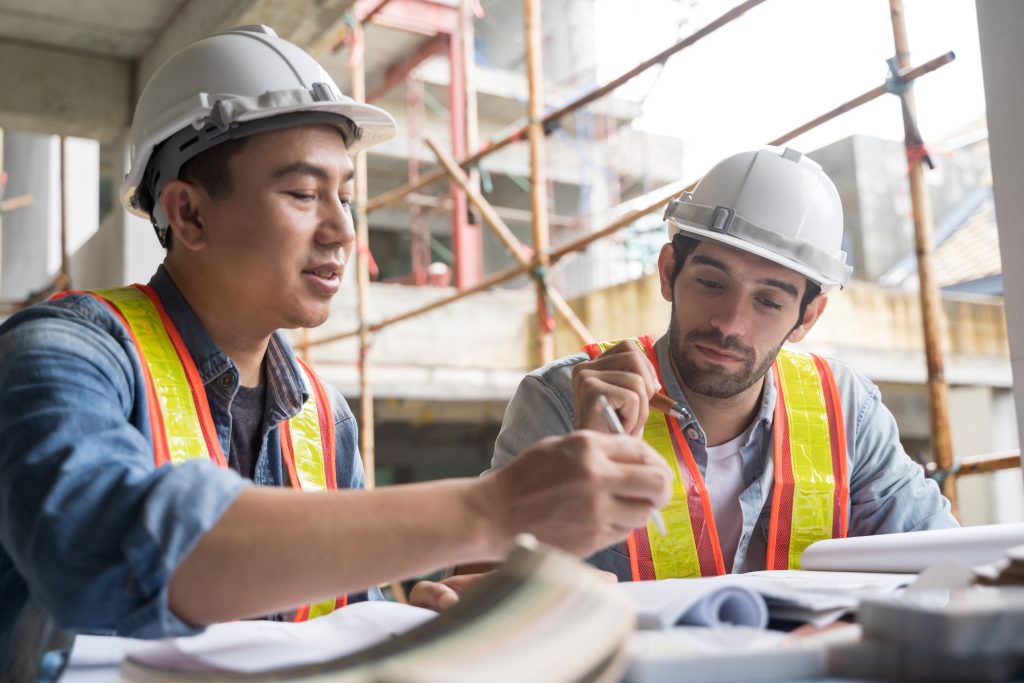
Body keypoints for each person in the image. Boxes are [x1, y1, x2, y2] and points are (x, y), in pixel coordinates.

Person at [0, 25, 672, 682]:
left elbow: (340, 617)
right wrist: (488, 509)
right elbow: (95, 550)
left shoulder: (323, 417)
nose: (344, 229)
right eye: (302, 193)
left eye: (346, 194)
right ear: (189, 214)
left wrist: (414, 619)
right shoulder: (62, 352)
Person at [490, 145, 957, 582]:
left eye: (769, 302)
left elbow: (944, 566)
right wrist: (572, 481)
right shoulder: (566, 400)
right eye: (712, 283)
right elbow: (471, 595)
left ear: (806, 317)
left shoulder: (846, 410)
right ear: (670, 272)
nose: (731, 324)